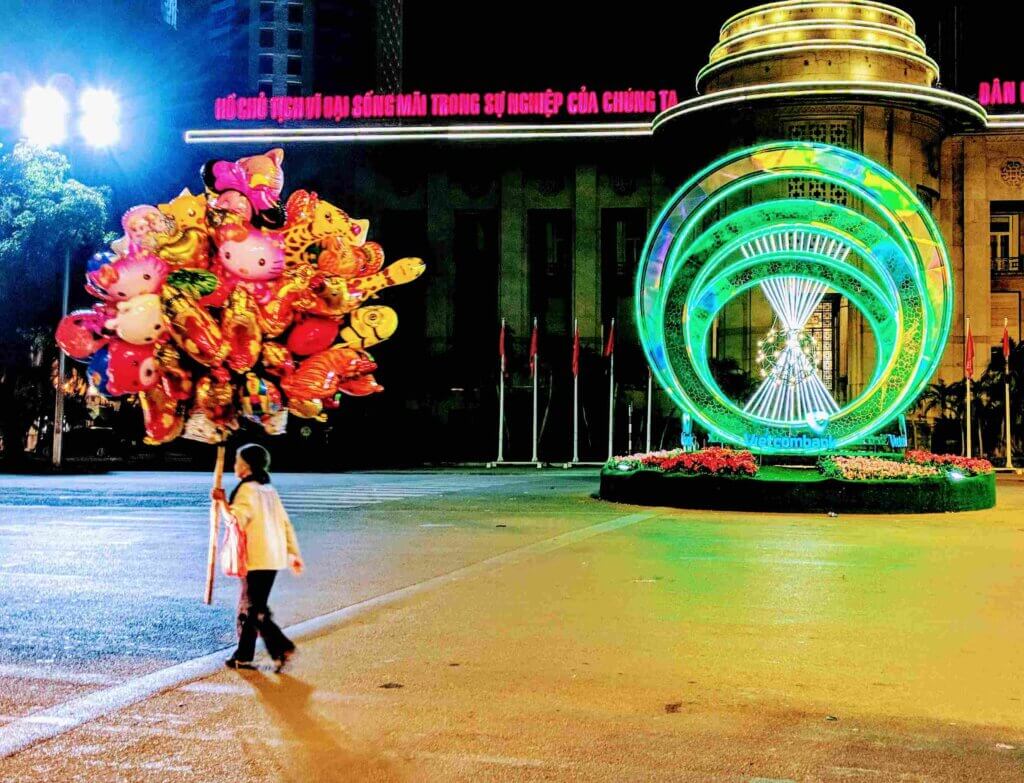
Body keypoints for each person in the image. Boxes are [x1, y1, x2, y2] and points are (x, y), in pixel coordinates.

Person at [212, 443, 304, 672]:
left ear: (246, 466)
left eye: (237, 461)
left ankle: (281, 646)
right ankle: (243, 655)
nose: (235, 465)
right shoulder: (267, 489)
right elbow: (285, 523)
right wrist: (293, 552)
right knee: (250, 608)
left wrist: (222, 503)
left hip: (256, 558)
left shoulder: (247, 490)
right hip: (272, 557)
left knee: (252, 609)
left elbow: (236, 521)